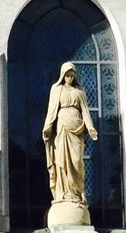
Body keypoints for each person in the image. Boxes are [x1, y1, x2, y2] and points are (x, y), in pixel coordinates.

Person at [42, 62, 98, 204]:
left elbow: (85, 111)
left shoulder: (79, 91)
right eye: (67, 76)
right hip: (62, 128)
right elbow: (51, 110)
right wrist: (47, 127)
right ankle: (64, 193)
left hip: (77, 128)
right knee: (61, 160)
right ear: (62, 75)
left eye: (72, 76)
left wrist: (90, 128)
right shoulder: (56, 89)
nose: (69, 78)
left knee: (76, 161)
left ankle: (77, 193)